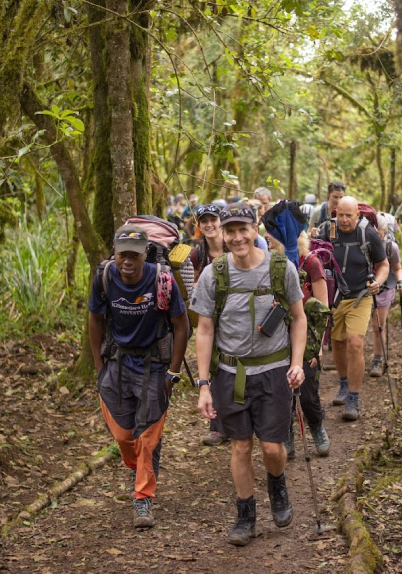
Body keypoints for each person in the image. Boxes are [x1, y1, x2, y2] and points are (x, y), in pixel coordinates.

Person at [192, 203, 306, 547]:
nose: (237, 237)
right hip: (231, 372)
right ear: (223, 234)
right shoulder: (213, 274)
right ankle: (246, 515)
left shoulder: (281, 268)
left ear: (256, 230)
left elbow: (299, 318)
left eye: (243, 229)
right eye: (231, 231)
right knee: (241, 446)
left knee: (272, 447)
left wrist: (297, 363)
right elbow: (204, 330)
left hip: (273, 370)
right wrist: (203, 385)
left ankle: (277, 484)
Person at [89, 225, 190, 528]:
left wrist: (173, 372)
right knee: (124, 436)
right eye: (123, 255)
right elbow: (95, 318)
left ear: (146, 253)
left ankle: (143, 498)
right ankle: (138, 468)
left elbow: (182, 325)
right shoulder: (105, 277)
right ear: (115, 253)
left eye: (135, 255)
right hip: (117, 363)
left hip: (154, 364)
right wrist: (99, 366)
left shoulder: (162, 279)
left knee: (147, 436)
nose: (128, 261)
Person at [265, 230, 330, 458]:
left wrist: (318, 347)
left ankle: (316, 424)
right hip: (277, 337)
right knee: (282, 392)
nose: (266, 236)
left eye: (271, 232)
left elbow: (322, 309)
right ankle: (286, 433)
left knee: (308, 393)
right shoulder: (268, 264)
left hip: (307, 337)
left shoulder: (310, 263)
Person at [329, 197, 389, 420]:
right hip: (335, 297)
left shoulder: (367, 233)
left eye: (348, 216)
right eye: (340, 215)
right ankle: (344, 384)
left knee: (354, 343)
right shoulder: (329, 230)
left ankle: (353, 397)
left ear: (357, 214)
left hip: (360, 296)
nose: (344, 220)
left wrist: (378, 283)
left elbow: (384, 265)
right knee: (338, 342)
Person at [189, 204, 230, 446]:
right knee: (216, 369)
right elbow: (190, 286)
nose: (209, 224)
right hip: (210, 319)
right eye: (204, 221)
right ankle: (217, 426)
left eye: (213, 219)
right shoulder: (198, 255)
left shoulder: (236, 245)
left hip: (238, 316)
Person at [369, 214, 402, 376]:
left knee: (378, 326)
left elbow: (397, 268)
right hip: (364, 288)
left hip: (384, 288)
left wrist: (401, 282)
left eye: (379, 232)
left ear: (385, 231)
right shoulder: (364, 244)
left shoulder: (391, 247)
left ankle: (377, 360)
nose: (376, 236)